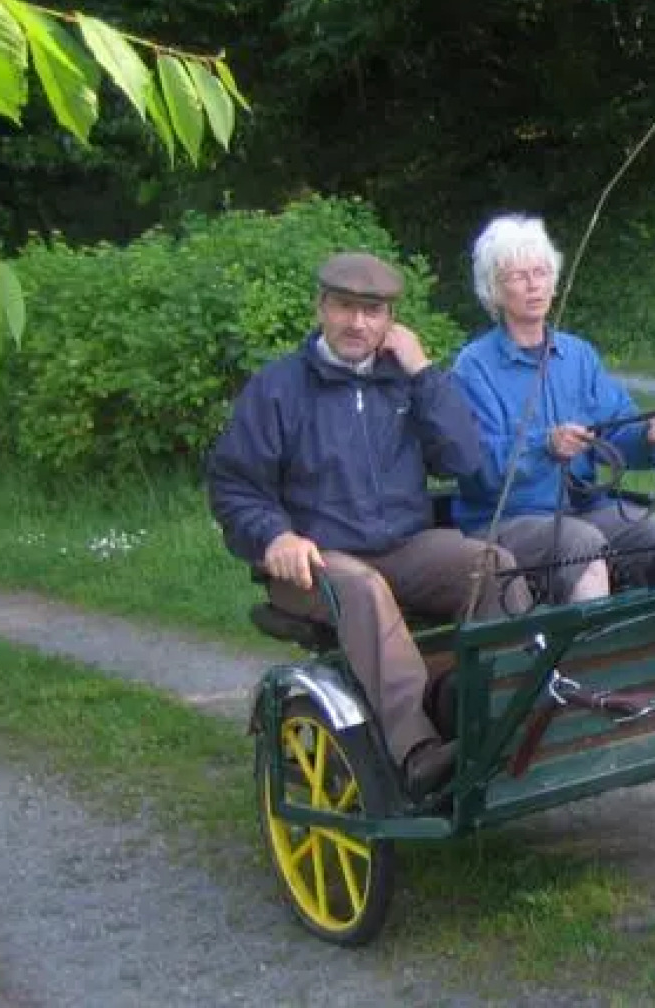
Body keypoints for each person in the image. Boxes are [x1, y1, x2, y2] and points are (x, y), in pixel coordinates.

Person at [207, 252, 530, 799]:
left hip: (403, 544)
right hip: (311, 559)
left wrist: (424, 372)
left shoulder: (403, 383)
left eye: (373, 311)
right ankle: (417, 752)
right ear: (321, 308)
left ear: (391, 320)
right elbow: (233, 485)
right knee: (363, 589)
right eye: (345, 307)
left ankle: (504, 717)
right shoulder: (278, 388)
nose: (358, 323)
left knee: (491, 565)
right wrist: (274, 536)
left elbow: (464, 459)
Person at [451, 214, 655, 600]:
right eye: (518, 277)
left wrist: (649, 436)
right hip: (506, 520)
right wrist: (544, 446)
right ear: (495, 290)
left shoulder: (578, 356)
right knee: (583, 547)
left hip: (584, 509)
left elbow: (617, 432)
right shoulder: (473, 367)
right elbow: (475, 467)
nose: (533, 285)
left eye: (541, 272)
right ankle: (594, 658)